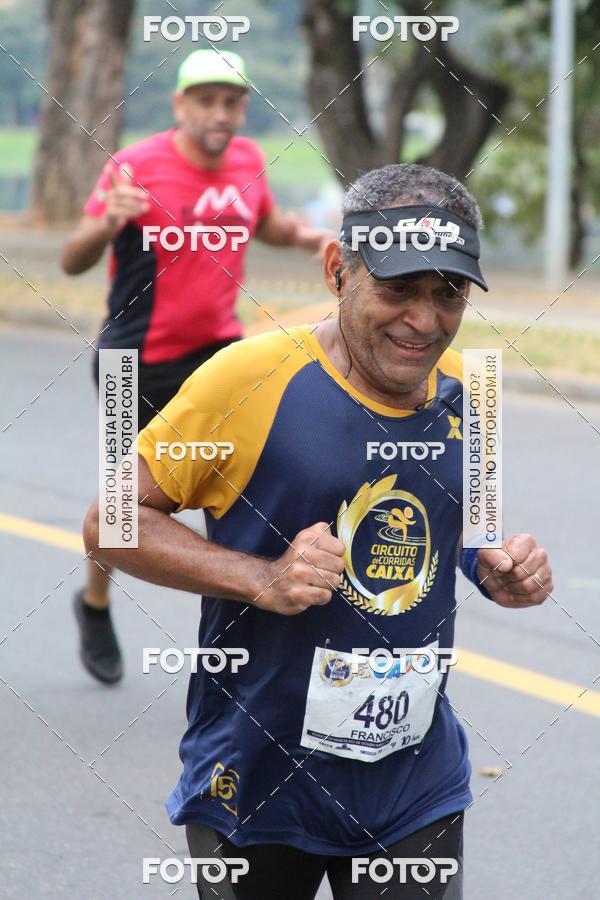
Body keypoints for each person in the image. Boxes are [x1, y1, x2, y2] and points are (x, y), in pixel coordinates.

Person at [84, 163, 553, 898]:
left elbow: (467, 525)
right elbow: (112, 521)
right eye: (398, 289)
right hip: (258, 782)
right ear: (339, 270)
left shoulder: (474, 384)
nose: (424, 322)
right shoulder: (245, 380)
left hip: (413, 781)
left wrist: (495, 567)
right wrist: (261, 579)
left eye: (449, 293)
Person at [62, 49, 332, 685]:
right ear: (180, 106)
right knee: (125, 511)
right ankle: (95, 602)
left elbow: (262, 223)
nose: (220, 112)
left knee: (241, 493)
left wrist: (311, 237)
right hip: (135, 358)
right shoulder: (136, 167)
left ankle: (240, 640)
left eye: (232, 101)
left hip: (219, 361)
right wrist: (108, 225)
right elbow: (73, 259)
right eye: (205, 100)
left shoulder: (246, 163)